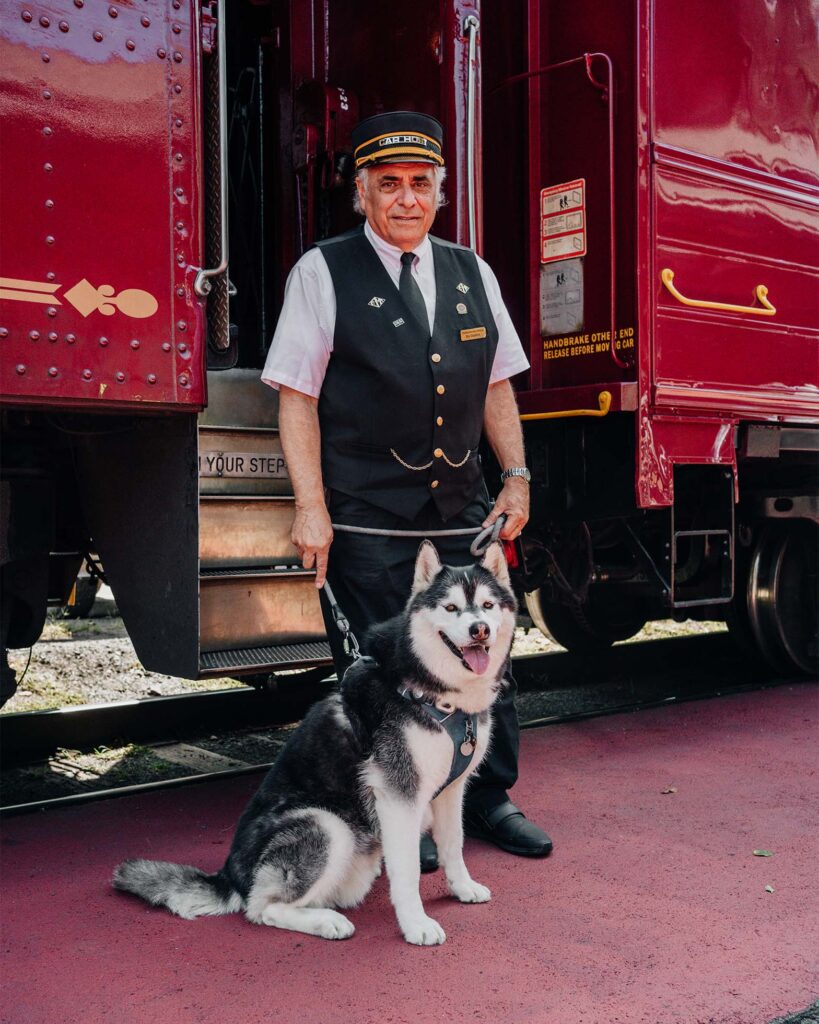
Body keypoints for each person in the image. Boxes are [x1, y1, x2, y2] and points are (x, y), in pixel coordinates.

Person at [262, 110, 552, 868]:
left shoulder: (471, 273)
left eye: (420, 184)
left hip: (461, 508)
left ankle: (487, 797)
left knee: (484, 658)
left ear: (439, 193)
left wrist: (515, 476)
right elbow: (296, 394)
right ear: (360, 194)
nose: (405, 198)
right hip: (365, 514)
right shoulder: (322, 271)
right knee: (386, 673)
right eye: (387, 184)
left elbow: (494, 384)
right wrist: (311, 507)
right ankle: (405, 814)